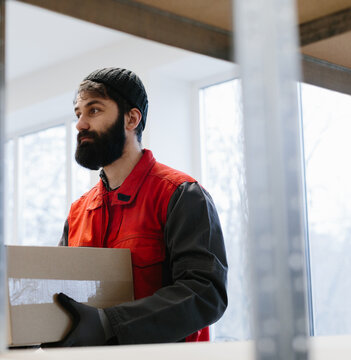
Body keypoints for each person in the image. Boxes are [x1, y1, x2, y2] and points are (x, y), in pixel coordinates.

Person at [47, 67, 228, 347]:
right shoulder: (78, 212)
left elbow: (205, 293)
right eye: (78, 113)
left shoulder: (181, 195)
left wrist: (110, 323)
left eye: (94, 111)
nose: (80, 124)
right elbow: (58, 296)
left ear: (131, 118)